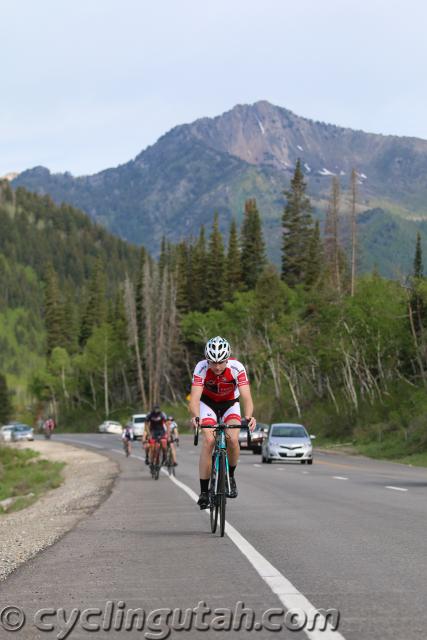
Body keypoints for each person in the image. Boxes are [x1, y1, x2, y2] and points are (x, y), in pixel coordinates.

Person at [189, 336, 256, 509]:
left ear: (227, 359)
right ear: (207, 360)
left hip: (230, 404)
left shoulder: (237, 368)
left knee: (233, 439)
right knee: (209, 441)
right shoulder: (201, 367)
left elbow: (247, 397)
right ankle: (204, 492)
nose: (217, 367)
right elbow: (194, 399)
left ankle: (230, 476)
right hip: (208, 403)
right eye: (213, 362)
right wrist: (196, 417)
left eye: (221, 362)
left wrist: (249, 416)